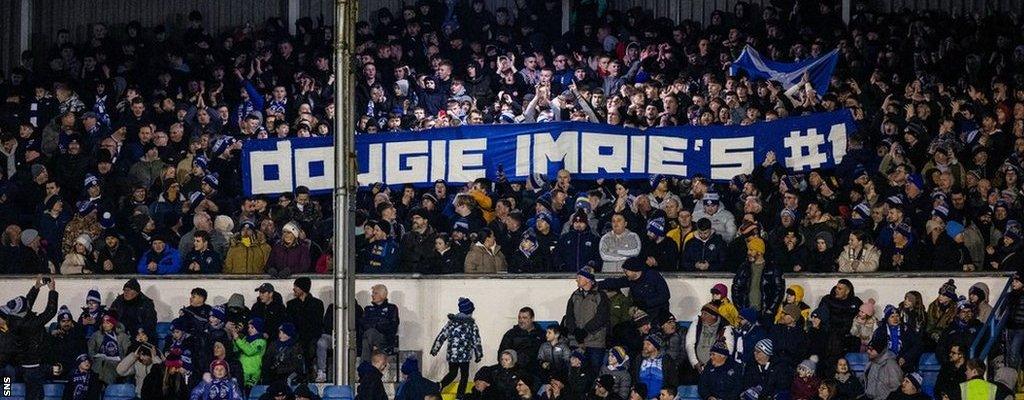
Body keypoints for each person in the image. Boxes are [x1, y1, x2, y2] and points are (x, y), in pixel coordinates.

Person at [431, 297, 483, 398]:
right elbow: (476, 341)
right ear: (469, 311)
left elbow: (442, 335)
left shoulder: (451, 323)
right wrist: (478, 354)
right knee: (464, 375)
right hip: (464, 356)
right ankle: (460, 395)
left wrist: (435, 349)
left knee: (453, 373)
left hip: (453, 355)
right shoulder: (472, 325)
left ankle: (440, 385)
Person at [562, 267, 610, 373]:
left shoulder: (600, 295)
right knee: (575, 371)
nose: (576, 280)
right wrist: (575, 330)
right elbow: (569, 316)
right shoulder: (575, 295)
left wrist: (585, 330)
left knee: (594, 371)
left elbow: (602, 317)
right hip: (576, 341)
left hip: (595, 342)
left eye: (579, 277)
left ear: (588, 280)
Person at [598, 258, 671, 322]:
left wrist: (646, 303)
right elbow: (615, 282)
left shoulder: (652, 276)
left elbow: (665, 296)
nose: (625, 273)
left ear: (634, 270)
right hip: (642, 314)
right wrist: (595, 284)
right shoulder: (630, 279)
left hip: (659, 313)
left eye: (626, 271)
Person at [732, 236, 785, 320]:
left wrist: (770, 310)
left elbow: (779, 291)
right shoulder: (744, 267)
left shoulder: (773, 268)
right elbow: (736, 288)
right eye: (748, 249)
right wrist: (741, 309)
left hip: (765, 313)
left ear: (760, 252)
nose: (748, 252)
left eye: (751, 250)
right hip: (747, 312)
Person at [286, 277, 324, 379]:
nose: (294, 289)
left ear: (303, 288)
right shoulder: (291, 305)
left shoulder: (317, 304)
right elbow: (290, 323)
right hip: (296, 336)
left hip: (312, 336)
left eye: (296, 287)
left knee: (309, 346)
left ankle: (309, 372)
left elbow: (317, 323)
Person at [685, 303, 734, 373]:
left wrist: (714, 365)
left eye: (705, 314)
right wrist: (695, 362)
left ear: (713, 316)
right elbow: (689, 344)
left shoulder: (725, 327)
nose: (702, 316)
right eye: (701, 313)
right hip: (697, 366)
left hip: (717, 367)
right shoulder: (696, 324)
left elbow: (728, 350)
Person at [873, 305, 923, 373]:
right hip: (885, 363)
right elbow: (875, 348)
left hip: (905, 363)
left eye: (897, 316)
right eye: (892, 317)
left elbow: (917, 345)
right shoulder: (881, 331)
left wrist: (905, 357)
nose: (895, 319)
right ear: (887, 319)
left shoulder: (906, 329)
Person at [498, 307, 545, 374]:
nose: (521, 320)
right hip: (513, 367)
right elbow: (502, 352)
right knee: (484, 371)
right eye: (519, 318)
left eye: (524, 318)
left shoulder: (542, 334)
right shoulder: (511, 334)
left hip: (534, 369)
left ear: (532, 319)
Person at [360, 284, 400, 362]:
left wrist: (374, 324)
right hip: (369, 338)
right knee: (368, 335)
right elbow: (363, 325)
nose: (372, 295)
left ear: (383, 295)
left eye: (375, 293)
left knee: (370, 333)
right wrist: (379, 323)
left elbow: (392, 327)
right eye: (372, 293)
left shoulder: (391, 308)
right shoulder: (368, 309)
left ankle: (364, 366)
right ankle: (366, 366)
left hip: (385, 340)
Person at [632, 335, 678, 399]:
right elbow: (634, 378)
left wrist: (658, 398)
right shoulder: (639, 359)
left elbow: (673, 382)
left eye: (648, 344)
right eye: (644, 344)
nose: (645, 346)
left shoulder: (667, 360)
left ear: (656, 347)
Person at [88, 314, 130, 384]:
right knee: (99, 367)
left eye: (107, 323)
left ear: (113, 324)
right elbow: (91, 349)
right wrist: (94, 358)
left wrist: (122, 362)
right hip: (99, 362)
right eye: (103, 323)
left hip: (118, 363)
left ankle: (108, 389)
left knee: (108, 367)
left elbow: (127, 351)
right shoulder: (97, 334)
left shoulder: (122, 336)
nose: (105, 325)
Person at [231, 317, 266, 390]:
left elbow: (249, 351)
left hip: (253, 371)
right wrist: (234, 339)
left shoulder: (261, 341)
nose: (249, 329)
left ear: (258, 329)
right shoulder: (246, 338)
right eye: (249, 327)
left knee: (249, 392)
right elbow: (236, 349)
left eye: (252, 327)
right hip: (242, 370)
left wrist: (237, 339)